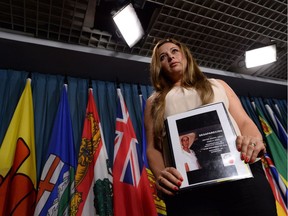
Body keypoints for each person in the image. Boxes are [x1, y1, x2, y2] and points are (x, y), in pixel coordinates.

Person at [144, 38, 277, 216]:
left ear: (185, 55)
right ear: (158, 66)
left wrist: (254, 141)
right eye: (163, 56)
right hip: (187, 188)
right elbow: (153, 147)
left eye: (174, 51)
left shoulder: (218, 84)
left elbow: (244, 122)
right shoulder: (154, 101)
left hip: (241, 173)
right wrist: (162, 175)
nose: (170, 57)